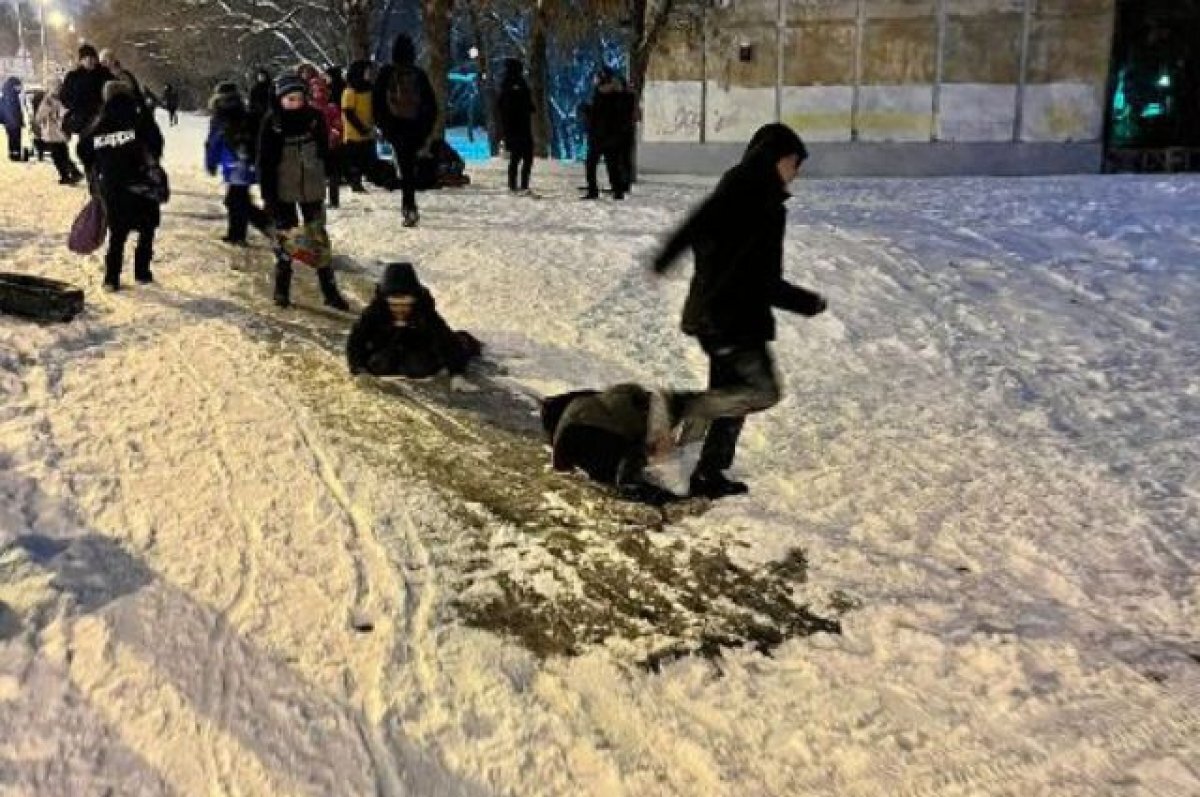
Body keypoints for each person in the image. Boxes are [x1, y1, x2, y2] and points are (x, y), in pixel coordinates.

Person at [650, 123, 827, 499]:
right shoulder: (762, 203)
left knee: (729, 395)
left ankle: (706, 473)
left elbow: (696, 226)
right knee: (760, 391)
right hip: (734, 320)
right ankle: (678, 405)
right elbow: (762, 278)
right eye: (794, 162)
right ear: (775, 158)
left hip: (712, 314)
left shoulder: (736, 188)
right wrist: (806, 302)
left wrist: (667, 258)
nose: (796, 171)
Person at [257, 72, 349, 311]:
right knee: (287, 240)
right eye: (290, 99)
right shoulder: (272, 124)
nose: (295, 103)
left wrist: (333, 169)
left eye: (299, 98)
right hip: (282, 192)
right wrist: (269, 197)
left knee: (318, 240)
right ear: (280, 100)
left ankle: (329, 291)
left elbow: (324, 151)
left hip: (312, 189)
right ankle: (282, 288)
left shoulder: (315, 119)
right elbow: (264, 164)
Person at [79, 81, 166, 291]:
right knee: (146, 229)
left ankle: (111, 278)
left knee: (117, 234)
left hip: (113, 185)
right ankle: (142, 272)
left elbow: (83, 149)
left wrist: (98, 163)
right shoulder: (140, 117)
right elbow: (157, 144)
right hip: (142, 184)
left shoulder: (100, 121)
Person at [540, 385, 684, 505]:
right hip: (598, 434)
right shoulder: (648, 408)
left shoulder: (589, 403)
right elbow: (641, 450)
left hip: (572, 437)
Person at [347, 262, 481, 378]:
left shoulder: (424, 312)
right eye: (395, 304)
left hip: (418, 348)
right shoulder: (375, 311)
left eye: (405, 304)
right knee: (379, 365)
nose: (400, 309)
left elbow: (445, 340)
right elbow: (356, 339)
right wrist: (358, 368)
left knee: (418, 368)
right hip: (387, 346)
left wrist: (456, 373)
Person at [373, 33, 437, 228]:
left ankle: (408, 207)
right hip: (414, 128)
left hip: (395, 128)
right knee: (409, 167)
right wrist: (424, 131)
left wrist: (385, 128)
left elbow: (376, 104)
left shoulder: (385, 73)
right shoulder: (419, 74)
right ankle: (409, 205)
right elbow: (431, 106)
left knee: (405, 167)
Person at [205, 81, 270, 245]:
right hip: (242, 162)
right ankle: (237, 234)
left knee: (236, 201)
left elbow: (213, 142)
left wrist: (211, 162)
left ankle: (269, 226)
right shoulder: (241, 112)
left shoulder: (222, 116)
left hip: (237, 164)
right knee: (237, 200)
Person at [61, 44, 117, 168]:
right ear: (81, 60)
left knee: (106, 151)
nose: (90, 61)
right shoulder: (73, 76)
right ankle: (92, 174)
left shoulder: (104, 74)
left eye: (92, 57)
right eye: (86, 58)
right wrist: (74, 105)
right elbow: (64, 96)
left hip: (103, 118)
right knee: (88, 151)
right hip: (84, 121)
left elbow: (115, 90)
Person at [582, 67, 630, 200]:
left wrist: (586, 111)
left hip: (600, 135)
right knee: (612, 165)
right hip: (611, 136)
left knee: (591, 165)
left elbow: (597, 116)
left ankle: (593, 190)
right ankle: (617, 191)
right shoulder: (619, 94)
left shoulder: (600, 94)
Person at [34, 78, 84, 184]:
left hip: (53, 132)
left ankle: (66, 175)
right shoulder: (62, 99)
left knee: (58, 156)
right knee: (63, 154)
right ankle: (73, 173)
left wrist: (38, 121)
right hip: (61, 132)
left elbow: (40, 115)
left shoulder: (49, 100)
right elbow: (66, 113)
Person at [497, 58, 534, 194]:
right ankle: (516, 185)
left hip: (520, 125)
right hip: (516, 126)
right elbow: (507, 105)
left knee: (522, 156)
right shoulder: (510, 83)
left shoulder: (516, 82)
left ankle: (520, 184)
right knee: (519, 156)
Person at [309, 77, 344, 208]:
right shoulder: (312, 108)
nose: (319, 93)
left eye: (321, 91)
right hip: (323, 145)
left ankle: (329, 200)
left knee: (328, 174)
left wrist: (334, 135)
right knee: (326, 174)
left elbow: (338, 125)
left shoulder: (328, 108)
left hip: (327, 144)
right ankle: (326, 200)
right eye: (316, 91)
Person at [340, 59, 374, 193]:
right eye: (366, 71)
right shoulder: (350, 90)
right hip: (354, 132)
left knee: (365, 158)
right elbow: (348, 112)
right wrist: (360, 128)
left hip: (367, 130)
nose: (368, 74)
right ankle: (355, 182)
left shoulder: (369, 88)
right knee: (355, 160)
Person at [0, 77, 23, 161]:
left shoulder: (8, 94)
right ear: (14, 86)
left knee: (12, 139)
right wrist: (15, 121)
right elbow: (12, 110)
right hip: (13, 122)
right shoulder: (11, 96)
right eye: (19, 86)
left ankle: (13, 155)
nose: (20, 87)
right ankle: (15, 156)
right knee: (15, 139)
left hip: (10, 122)